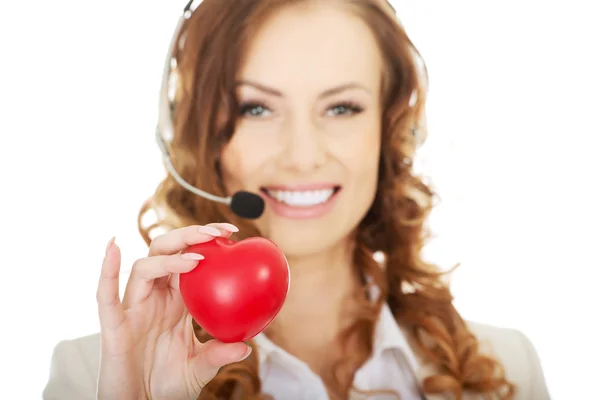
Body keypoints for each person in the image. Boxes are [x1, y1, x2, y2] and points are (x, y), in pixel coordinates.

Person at [43, 0, 551, 399]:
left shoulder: (510, 370)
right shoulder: (93, 377)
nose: (302, 157)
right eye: (258, 108)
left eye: (342, 107)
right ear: (200, 132)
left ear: (393, 129)